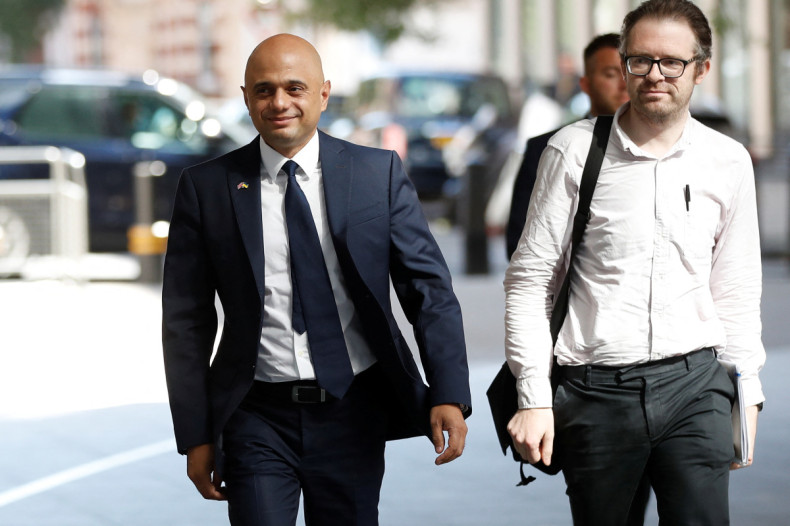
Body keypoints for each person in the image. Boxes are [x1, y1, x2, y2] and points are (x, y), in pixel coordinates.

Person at [162, 33, 471, 526]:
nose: (279, 102)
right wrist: (196, 435)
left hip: (353, 409)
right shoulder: (206, 188)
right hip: (255, 413)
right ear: (245, 98)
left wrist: (449, 392)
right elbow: (186, 320)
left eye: (294, 87)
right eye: (263, 90)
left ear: (323, 94)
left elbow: (428, 289)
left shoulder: (377, 174)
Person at [504, 1, 765, 524]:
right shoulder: (573, 151)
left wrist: (747, 390)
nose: (654, 75)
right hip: (596, 391)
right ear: (625, 65)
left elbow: (734, 286)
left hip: (696, 385)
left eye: (672, 62)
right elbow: (530, 282)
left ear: (701, 69)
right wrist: (533, 396)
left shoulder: (727, 159)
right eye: (640, 60)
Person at [505, 33, 629, 258]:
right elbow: (519, 242)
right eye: (611, 74)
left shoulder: (664, 148)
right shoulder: (548, 147)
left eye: (630, 73)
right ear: (585, 84)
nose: (624, 84)